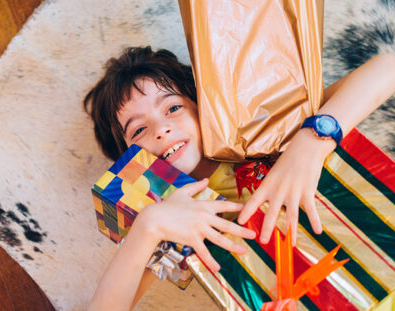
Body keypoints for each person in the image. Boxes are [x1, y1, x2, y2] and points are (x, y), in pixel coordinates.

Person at [83, 46, 395, 310]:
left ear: (203, 107)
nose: (160, 130)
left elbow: (388, 65)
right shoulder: (167, 224)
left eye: (173, 107)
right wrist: (149, 225)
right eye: (138, 130)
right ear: (128, 161)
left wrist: (309, 143)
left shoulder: (266, 137)